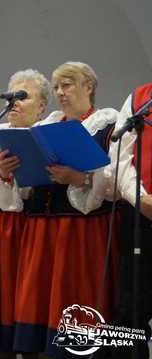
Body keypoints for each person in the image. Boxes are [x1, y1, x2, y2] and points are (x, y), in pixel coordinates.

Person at [0, 62, 118, 358]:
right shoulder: (42, 128)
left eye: (68, 84)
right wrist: (7, 172)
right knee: (37, 310)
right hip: (40, 231)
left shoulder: (106, 125)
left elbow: (115, 180)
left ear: (88, 87)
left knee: (75, 302)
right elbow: (21, 193)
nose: (61, 92)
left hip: (80, 231)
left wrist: (80, 178)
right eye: (57, 86)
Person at [0, 69, 49, 359]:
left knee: (27, 305)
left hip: (30, 230)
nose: (14, 102)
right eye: (12, 95)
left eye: (23, 97)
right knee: (0, 304)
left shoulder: (45, 136)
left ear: (42, 106)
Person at [103, 83, 152, 358]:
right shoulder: (140, 99)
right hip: (141, 215)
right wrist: (141, 198)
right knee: (129, 310)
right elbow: (120, 157)